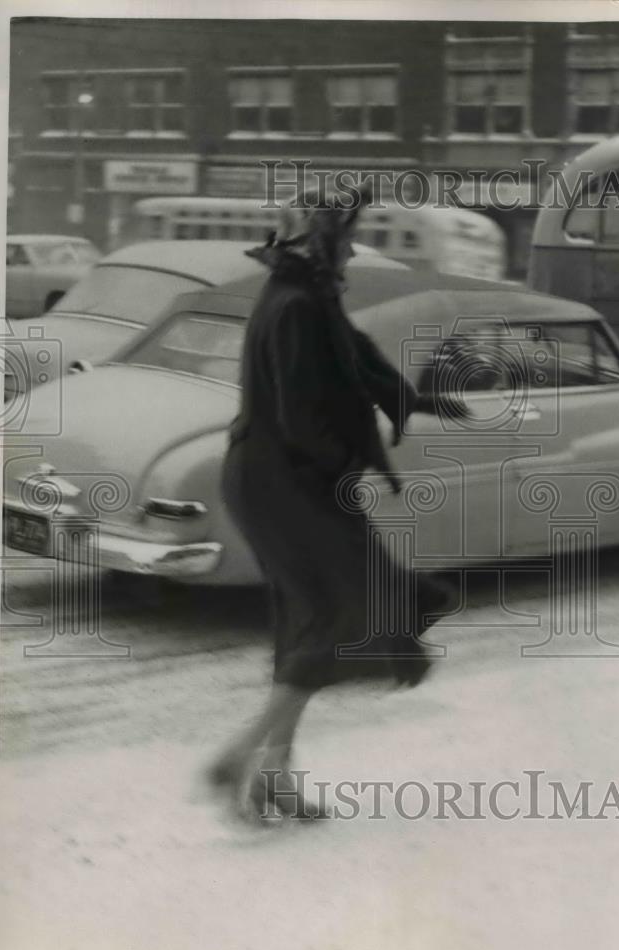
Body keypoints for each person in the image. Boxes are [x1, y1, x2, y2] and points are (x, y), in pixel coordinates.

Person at [210, 185, 462, 823]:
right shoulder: (295, 306)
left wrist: (413, 399)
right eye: (346, 236)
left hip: (279, 474)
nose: (353, 248)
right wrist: (344, 467)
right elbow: (301, 416)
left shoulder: (310, 299)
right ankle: (241, 756)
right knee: (346, 607)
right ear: (318, 239)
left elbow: (359, 360)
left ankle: (274, 775)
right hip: (281, 477)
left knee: (311, 616)